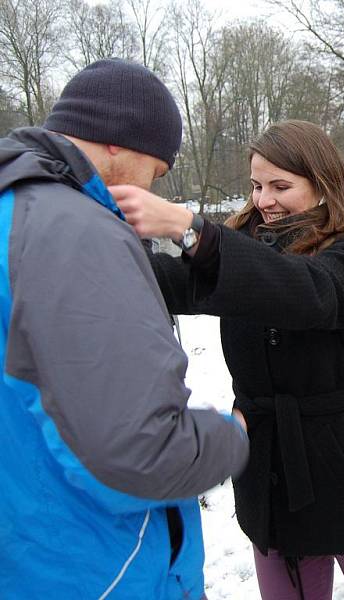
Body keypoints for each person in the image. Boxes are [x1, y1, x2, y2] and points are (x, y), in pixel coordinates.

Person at [110, 120, 344, 600]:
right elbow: (173, 283)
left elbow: (308, 293)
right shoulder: (239, 247)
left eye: (281, 186)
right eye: (256, 186)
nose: (264, 200)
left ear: (322, 186)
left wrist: (193, 231)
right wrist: (97, 245)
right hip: (271, 481)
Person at [0, 59, 249, 598]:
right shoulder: (74, 227)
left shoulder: (12, 207)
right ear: (117, 139)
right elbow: (139, 454)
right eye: (156, 170)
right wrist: (230, 437)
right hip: (97, 569)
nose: (151, 186)